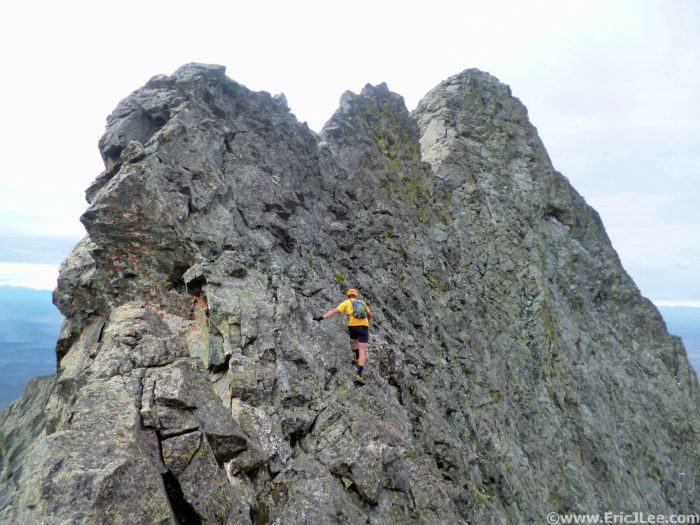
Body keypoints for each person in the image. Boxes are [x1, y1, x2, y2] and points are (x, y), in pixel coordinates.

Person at [314, 288, 372, 385]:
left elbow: (334, 311)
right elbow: (369, 313)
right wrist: (367, 320)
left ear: (348, 295)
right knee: (363, 351)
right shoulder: (362, 302)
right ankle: (359, 375)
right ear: (356, 295)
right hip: (363, 326)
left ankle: (357, 359)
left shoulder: (346, 302)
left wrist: (321, 318)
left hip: (352, 326)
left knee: (354, 340)